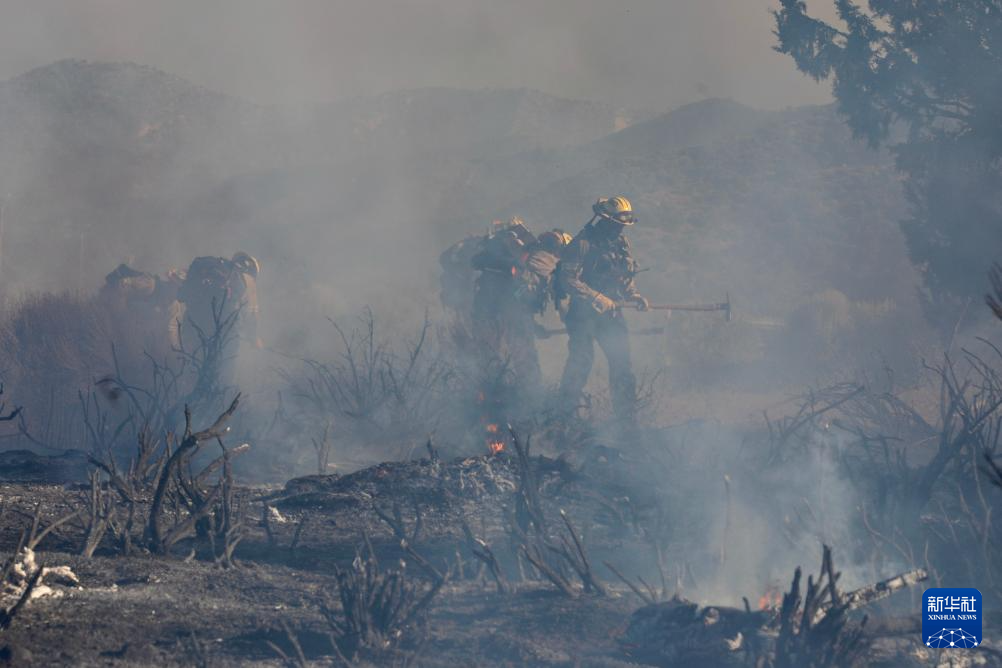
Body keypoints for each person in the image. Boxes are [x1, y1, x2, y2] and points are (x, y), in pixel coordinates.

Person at [556, 196, 648, 423]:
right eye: (616, 224)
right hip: (582, 315)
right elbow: (567, 279)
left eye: (623, 225)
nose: (620, 229)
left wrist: (634, 295)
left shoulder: (621, 243)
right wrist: (596, 297)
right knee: (581, 361)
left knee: (622, 364)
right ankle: (563, 416)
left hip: (611, 315)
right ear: (605, 220)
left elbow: (624, 275)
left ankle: (626, 420)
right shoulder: (582, 243)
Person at [174, 252, 261, 366]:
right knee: (223, 367)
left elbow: (180, 286)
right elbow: (250, 313)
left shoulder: (210, 267)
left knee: (193, 365)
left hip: (193, 326)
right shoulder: (245, 281)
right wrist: (254, 339)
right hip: (221, 332)